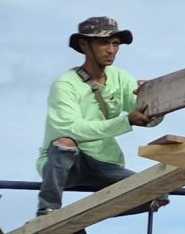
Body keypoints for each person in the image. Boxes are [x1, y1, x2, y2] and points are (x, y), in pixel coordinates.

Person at [37, 16, 157, 216]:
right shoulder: (65, 85)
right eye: (103, 43)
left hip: (106, 164)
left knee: (157, 193)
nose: (111, 50)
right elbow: (71, 129)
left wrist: (154, 98)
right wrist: (126, 121)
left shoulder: (120, 77)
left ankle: (75, 220)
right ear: (84, 45)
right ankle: (47, 210)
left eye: (115, 43)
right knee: (65, 143)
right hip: (70, 164)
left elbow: (147, 118)